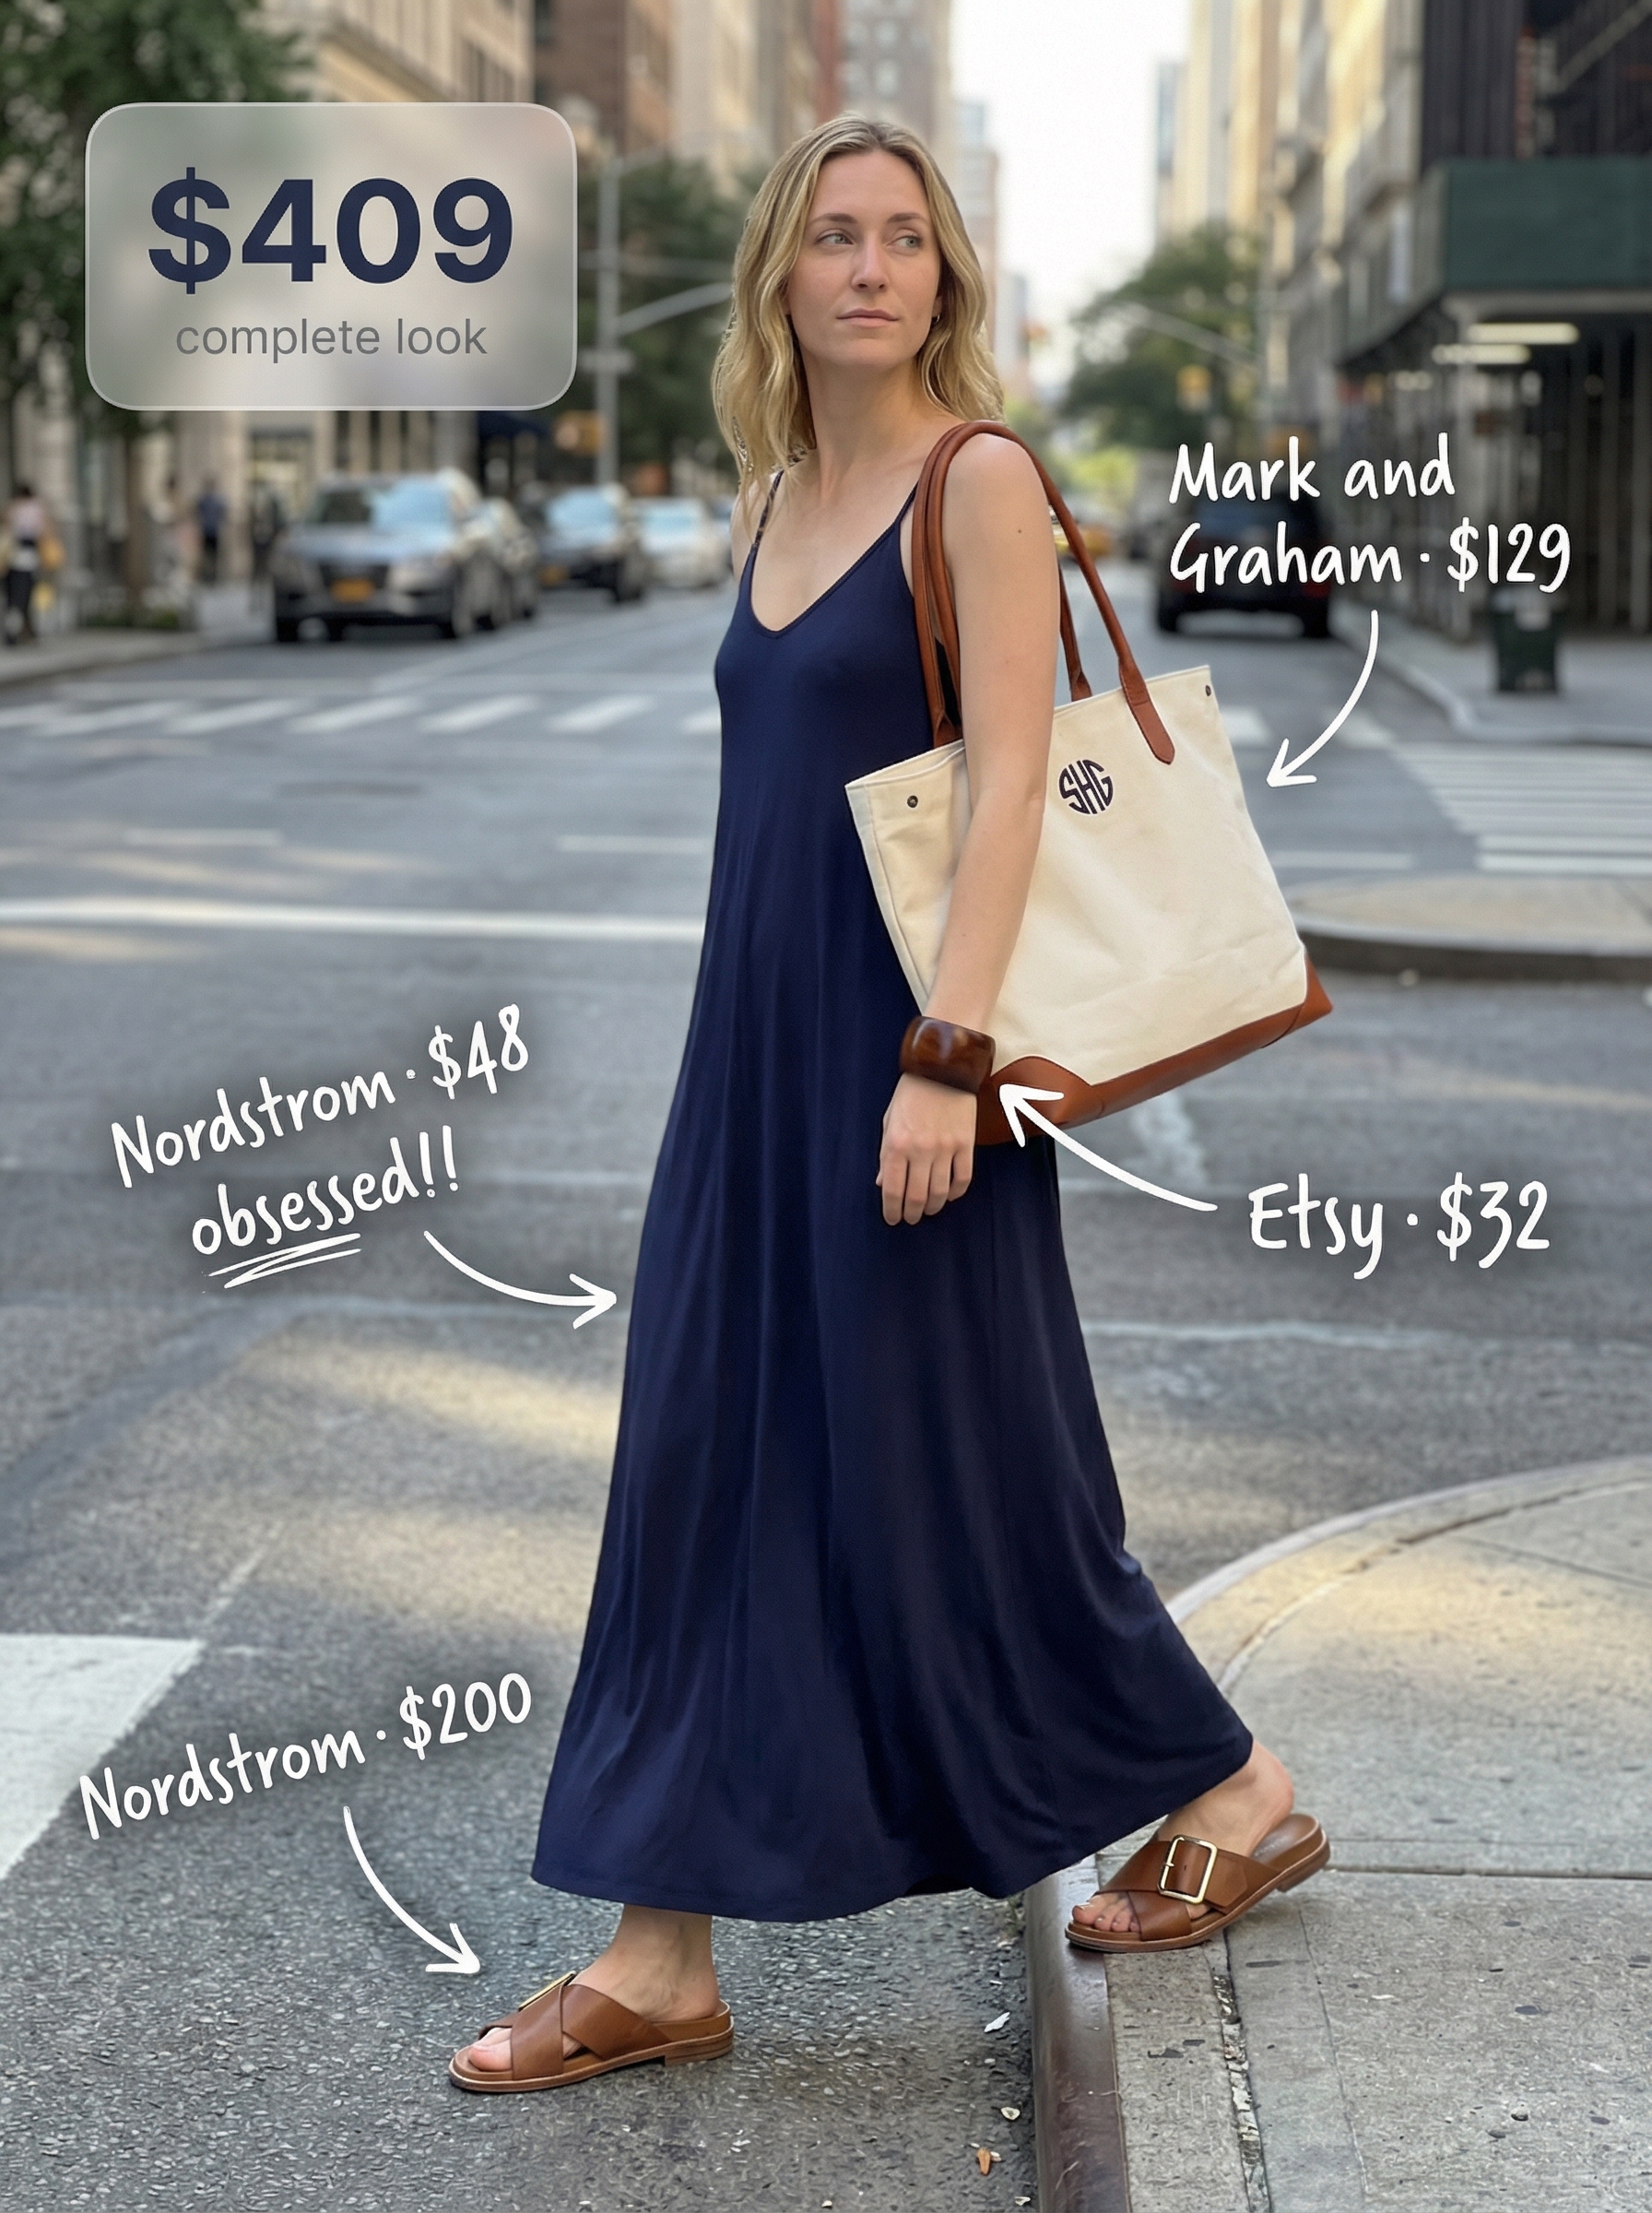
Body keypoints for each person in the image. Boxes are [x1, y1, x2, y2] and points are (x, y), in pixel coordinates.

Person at [450, 113, 1327, 2097]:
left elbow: (1011, 785)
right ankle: (658, 1953)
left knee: (964, 1477)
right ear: (778, 270)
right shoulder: (775, 497)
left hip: (914, 1063)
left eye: (903, 240)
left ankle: (1240, 1785)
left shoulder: (978, 480)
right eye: (832, 235)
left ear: (946, 278)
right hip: (745, 1064)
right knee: (694, 1466)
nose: (866, 268)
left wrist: (943, 1060)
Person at [4, 481, 48, 644]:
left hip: (12, 560)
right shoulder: (36, 508)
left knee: (14, 600)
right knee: (24, 600)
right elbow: (42, 532)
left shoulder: (12, 508)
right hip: (28, 559)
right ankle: (18, 633)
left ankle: (17, 633)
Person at [195, 479, 227, 583]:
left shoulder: (214, 500)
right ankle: (209, 575)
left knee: (211, 555)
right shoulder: (208, 500)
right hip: (208, 530)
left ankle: (212, 576)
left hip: (212, 530)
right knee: (209, 555)